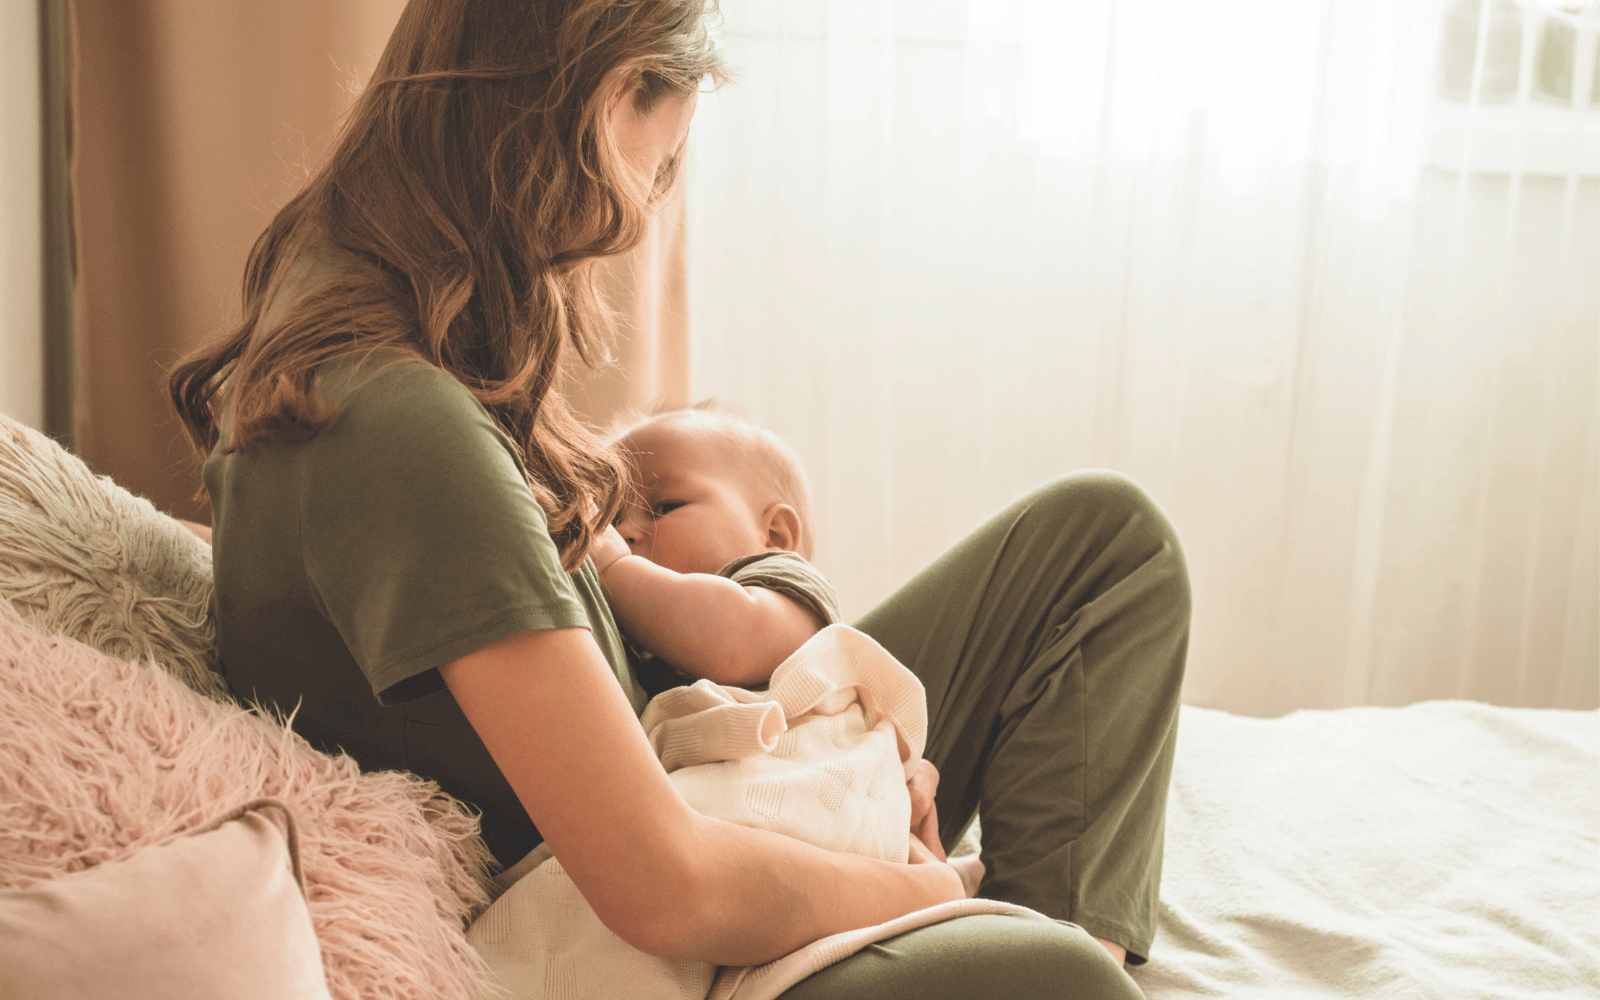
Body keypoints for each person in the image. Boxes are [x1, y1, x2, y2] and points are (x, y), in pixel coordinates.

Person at [168, 1, 1188, 997]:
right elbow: (663, 889)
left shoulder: (336, 309)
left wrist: (860, 758)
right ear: (615, 101)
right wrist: (924, 886)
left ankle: (1069, 938)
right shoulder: (401, 428)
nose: (648, 207)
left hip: (690, 765)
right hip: (670, 939)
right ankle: (1064, 954)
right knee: (1050, 974)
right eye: (664, 161)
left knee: (1103, 544)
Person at [599, 403, 842, 695]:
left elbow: (734, 644)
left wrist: (614, 568)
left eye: (666, 506)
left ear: (775, 535)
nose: (621, 532)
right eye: (611, 520)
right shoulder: (640, 643)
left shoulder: (787, 588)